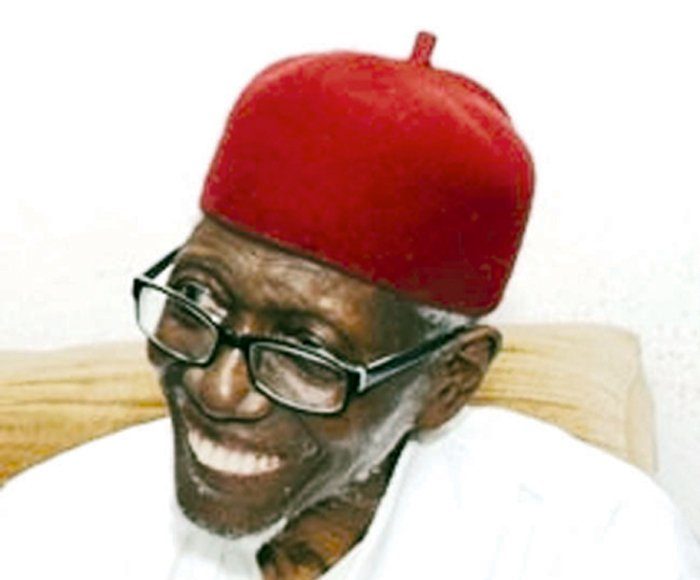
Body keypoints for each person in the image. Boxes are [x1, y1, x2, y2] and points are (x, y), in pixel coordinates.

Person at [1, 32, 699, 580]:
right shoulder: (51, 528)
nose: (218, 388)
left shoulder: (590, 542)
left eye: (307, 352)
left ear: (450, 380)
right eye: (195, 300)